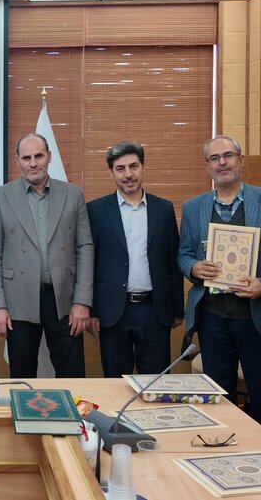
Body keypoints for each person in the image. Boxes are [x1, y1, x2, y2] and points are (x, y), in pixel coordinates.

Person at [178, 135, 261, 430]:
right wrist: (194, 267)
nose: (222, 163)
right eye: (214, 158)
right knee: (219, 398)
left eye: (228, 155)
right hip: (212, 319)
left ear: (240, 160)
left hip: (257, 319)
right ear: (207, 166)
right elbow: (183, 254)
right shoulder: (192, 207)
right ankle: (223, 447)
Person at [0, 133, 93, 377]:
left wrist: (82, 301)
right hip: (18, 302)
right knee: (22, 377)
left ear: (49, 156)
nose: (33, 163)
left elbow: (85, 248)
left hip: (64, 300)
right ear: (17, 160)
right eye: (26, 158)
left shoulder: (73, 194)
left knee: (72, 374)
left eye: (39, 156)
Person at [86, 141, 183, 376]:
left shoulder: (164, 209)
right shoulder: (96, 210)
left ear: (143, 168)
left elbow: (173, 260)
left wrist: (177, 308)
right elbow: (90, 263)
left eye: (134, 166)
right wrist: (93, 310)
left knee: (155, 382)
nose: (128, 175)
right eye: (120, 169)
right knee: (116, 381)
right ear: (111, 173)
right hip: (113, 311)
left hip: (155, 310)